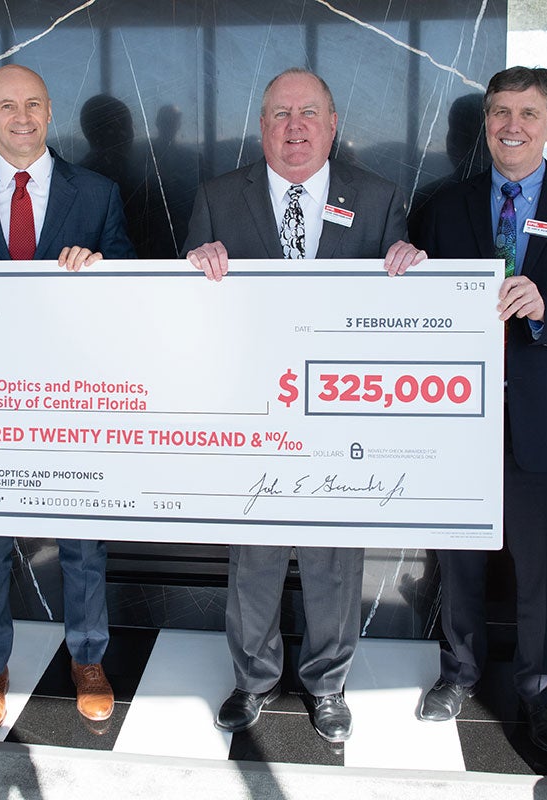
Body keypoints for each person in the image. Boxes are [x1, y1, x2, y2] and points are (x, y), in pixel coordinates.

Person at [184, 67, 424, 742]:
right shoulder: (217, 196)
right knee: (254, 557)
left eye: (308, 113)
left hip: (338, 415)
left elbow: (402, 306)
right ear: (261, 126)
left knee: (332, 559)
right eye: (280, 114)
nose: (295, 126)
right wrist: (192, 264)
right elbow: (183, 308)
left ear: (332, 123)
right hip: (250, 413)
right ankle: (253, 680)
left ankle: (327, 685)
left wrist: (409, 261)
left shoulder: (377, 199)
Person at [408, 66, 547, 754]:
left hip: (546, 424)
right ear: (486, 122)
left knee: (539, 574)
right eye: (501, 111)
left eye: (528, 113)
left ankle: (537, 695)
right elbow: (417, 300)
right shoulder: (446, 206)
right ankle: (459, 674)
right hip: (458, 419)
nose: (512, 125)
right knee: (459, 564)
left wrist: (544, 310)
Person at [0, 64, 135, 734]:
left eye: (34, 104)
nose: (22, 117)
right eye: (7, 106)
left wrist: (103, 272)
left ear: (50, 112)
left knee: (82, 541)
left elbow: (135, 280)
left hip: (73, 400)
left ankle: (89, 661)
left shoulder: (97, 193)